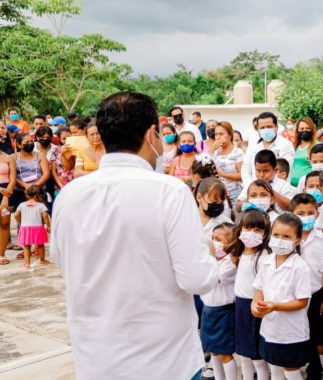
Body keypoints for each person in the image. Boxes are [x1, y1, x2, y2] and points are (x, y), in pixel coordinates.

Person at [51, 91, 220, 379]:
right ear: (151, 134)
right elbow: (197, 278)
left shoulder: (69, 196)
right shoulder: (169, 191)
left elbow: (61, 260)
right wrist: (210, 254)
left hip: (96, 359)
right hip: (164, 361)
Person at [251, 213, 312, 380]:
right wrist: (255, 304)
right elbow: (259, 288)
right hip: (271, 329)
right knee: (274, 367)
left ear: (297, 240)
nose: (279, 240)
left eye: (286, 236)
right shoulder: (267, 261)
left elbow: (302, 301)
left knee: (291, 370)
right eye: (276, 235)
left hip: (291, 331)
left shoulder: (300, 267)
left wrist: (275, 306)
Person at [288, 194, 323, 380]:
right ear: (292, 214)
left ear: (317, 214)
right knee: (303, 338)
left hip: (317, 295)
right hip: (295, 297)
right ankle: (311, 371)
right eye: (300, 213)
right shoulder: (288, 239)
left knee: (322, 340)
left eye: (309, 213)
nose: (305, 216)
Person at [233, 210, 272, 380]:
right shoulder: (240, 252)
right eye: (248, 228)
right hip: (240, 305)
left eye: (257, 230)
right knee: (244, 354)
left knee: (257, 357)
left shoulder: (263, 256)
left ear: (265, 235)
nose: (251, 234)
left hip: (254, 306)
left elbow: (263, 285)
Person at [200, 223, 238, 380]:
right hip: (208, 310)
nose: (214, 242)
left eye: (219, 239)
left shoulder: (231, 262)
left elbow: (213, 277)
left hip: (224, 312)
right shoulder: (211, 259)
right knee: (213, 350)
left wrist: (208, 255)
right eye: (213, 238)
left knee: (224, 352)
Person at [241, 112, 295, 182]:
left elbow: (283, 172)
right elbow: (245, 171)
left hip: (277, 189)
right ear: (258, 129)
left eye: (269, 127)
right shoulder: (253, 145)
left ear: (276, 127)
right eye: (262, 128)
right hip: (254, 188)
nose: (266, 130)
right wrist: (250, 186)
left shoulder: (285, 145)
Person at [15, 185, 50, 270]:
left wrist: (21, 221)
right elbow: (45, 216)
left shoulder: (22, 205)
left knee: (27, 246)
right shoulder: (41, 205)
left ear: (27, 195)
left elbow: (16, 215)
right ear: (38, 195)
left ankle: (27, 264)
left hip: (25, 228)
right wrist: (48, 226)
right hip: (38, 227)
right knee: (40, 245)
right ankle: (42, 260)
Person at [212, 121, 244, 202]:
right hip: (218, 193)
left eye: (221, 134)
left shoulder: (238, 152)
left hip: (234, 193)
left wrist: (224, 174)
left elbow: (242, 175)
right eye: (216, 134)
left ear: (230, 135)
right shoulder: (215, 152)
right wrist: (212, 149)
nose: (218, 137)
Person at [290, 117, 317, 187]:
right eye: (301, 129)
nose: (304, 130)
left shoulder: (316, 145)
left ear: (312, 129)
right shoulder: (293, 146)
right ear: (297, 131)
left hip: (308, 186)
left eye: (307, 128)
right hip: (291, 186)